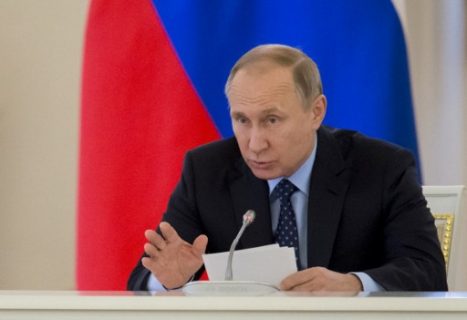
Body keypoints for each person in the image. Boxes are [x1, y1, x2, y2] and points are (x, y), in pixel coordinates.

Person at [128, 44, 447, 292]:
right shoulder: (207, 171)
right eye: (242, 120)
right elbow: (144, 276)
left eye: (272, 120)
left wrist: (353, 284)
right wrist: (168, 278)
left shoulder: (380, 168)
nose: (254, 144)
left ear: (315, 112)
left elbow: (427, 271)